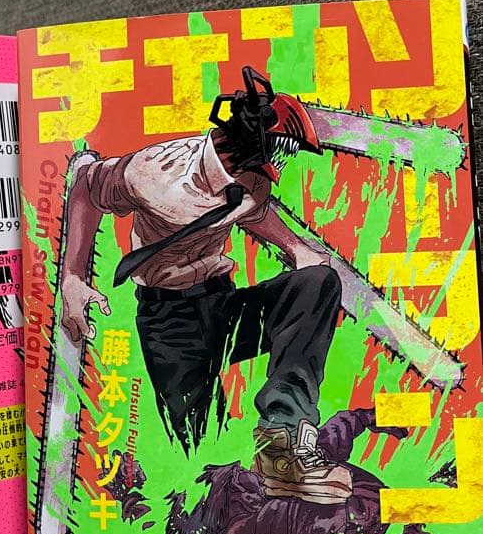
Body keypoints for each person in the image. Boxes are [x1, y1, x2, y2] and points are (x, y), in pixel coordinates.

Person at [60, 65, 350, 502]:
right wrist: (72, 277)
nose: (280, 165)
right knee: (201, 458)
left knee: (316, 284)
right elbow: (86, 185)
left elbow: (250, 209)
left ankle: (283, 439)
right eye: (280, 153)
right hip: (169, 322)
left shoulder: (252, 179)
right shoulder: (154, 174)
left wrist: (295, 248)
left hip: (222, 306)